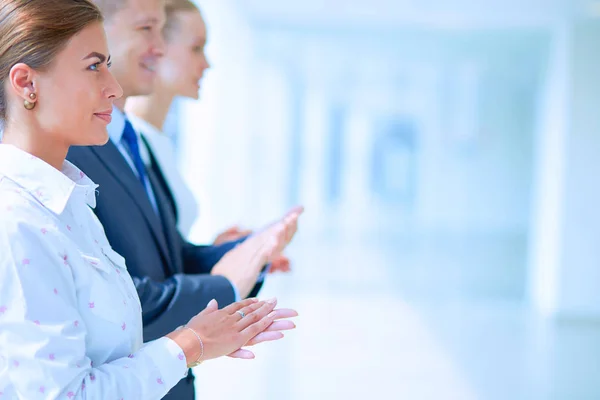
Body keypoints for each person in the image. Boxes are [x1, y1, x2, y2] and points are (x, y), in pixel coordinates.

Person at [0, 0, 297, 398]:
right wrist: (191, 343)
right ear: (26, 83)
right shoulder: (16, 222)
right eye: (93, 66)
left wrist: (205, 331)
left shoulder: (72, 204)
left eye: (107, 63)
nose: (114, 87)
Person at [126, 0, 296, 272]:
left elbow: (167, 257)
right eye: (196, 48)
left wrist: (223, 252)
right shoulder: (125, 143)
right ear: (156, 47)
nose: (206, 64)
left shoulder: (157, 143)